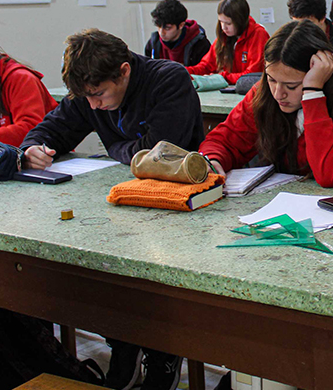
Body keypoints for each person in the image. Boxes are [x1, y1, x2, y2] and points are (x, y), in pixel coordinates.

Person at [21, 28, 204, 389]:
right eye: (86, 98)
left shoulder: (168, 79)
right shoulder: (90, 92)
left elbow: (160, 154)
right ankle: (124, 341)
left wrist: (114, 147)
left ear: (123, 71)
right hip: (120, 203)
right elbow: (53, 128)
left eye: (99, 95)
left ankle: (163, 351)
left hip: (177, 206)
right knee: (99, 272)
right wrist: (33, 147)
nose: (93, 105)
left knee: (153, 278)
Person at [200, 21, 333, 187]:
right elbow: (226, 139)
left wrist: (312, 94)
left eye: (292, 86)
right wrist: (213, 161)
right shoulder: (264, 92)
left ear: (321, 75)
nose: (278, 94)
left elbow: (330, 174)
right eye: (272, 80)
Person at [187, 0, 270, 84]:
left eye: (228, 23)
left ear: (240, 21)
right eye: (221, 22)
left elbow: (252, 76)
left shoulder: (258, 34)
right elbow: (206, 66)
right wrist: (183, 72)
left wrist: (221, 77)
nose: (223, 27)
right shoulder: (224, 37)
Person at [144, 0, 211, 67]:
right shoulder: (153, 44)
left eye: (167, 28)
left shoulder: (200, 45)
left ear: (181, 25)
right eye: (159, 26)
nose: (161, 33)